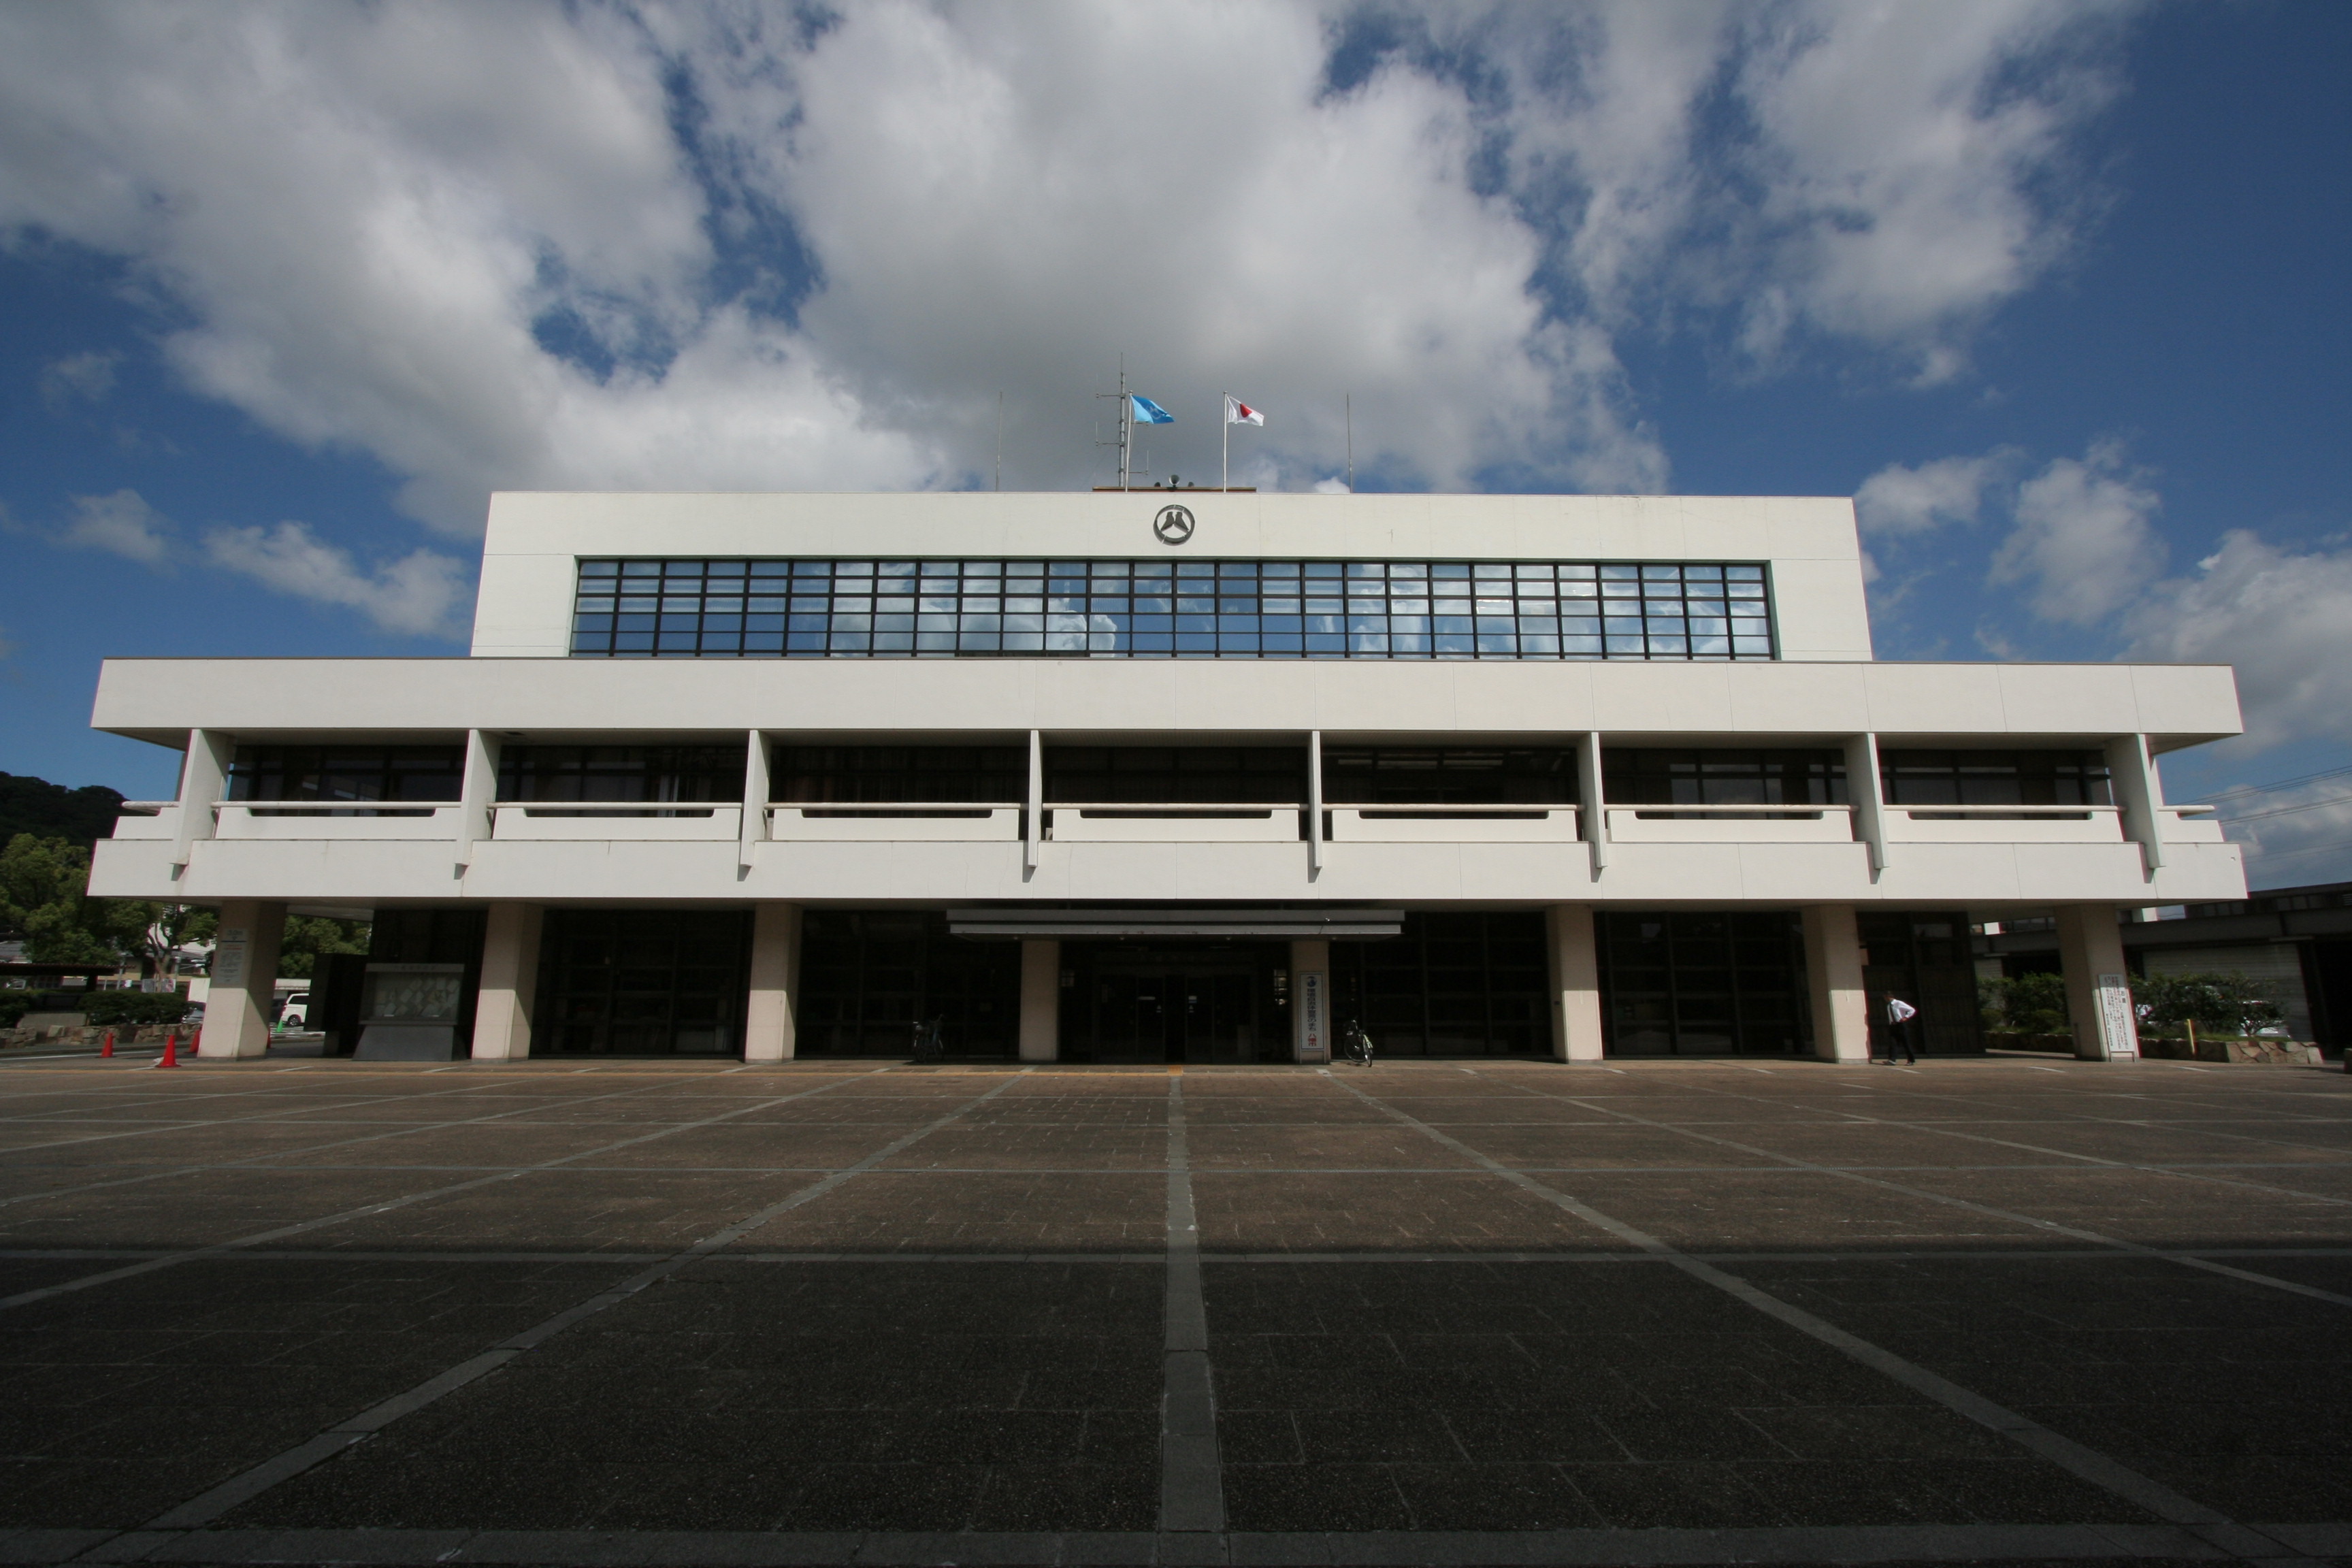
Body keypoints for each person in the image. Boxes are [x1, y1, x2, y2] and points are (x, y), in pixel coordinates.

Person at [1881, 996, 1919, 1064]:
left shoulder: (1898, 1003)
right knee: (1893, 1043)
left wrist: (1906, 1017)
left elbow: (1912, 1010)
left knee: (1906, 1043)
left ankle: (1911, 1060)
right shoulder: (1889, 1006)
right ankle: (1892, 1060)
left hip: (1900, 1024)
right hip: (1893, 1025)